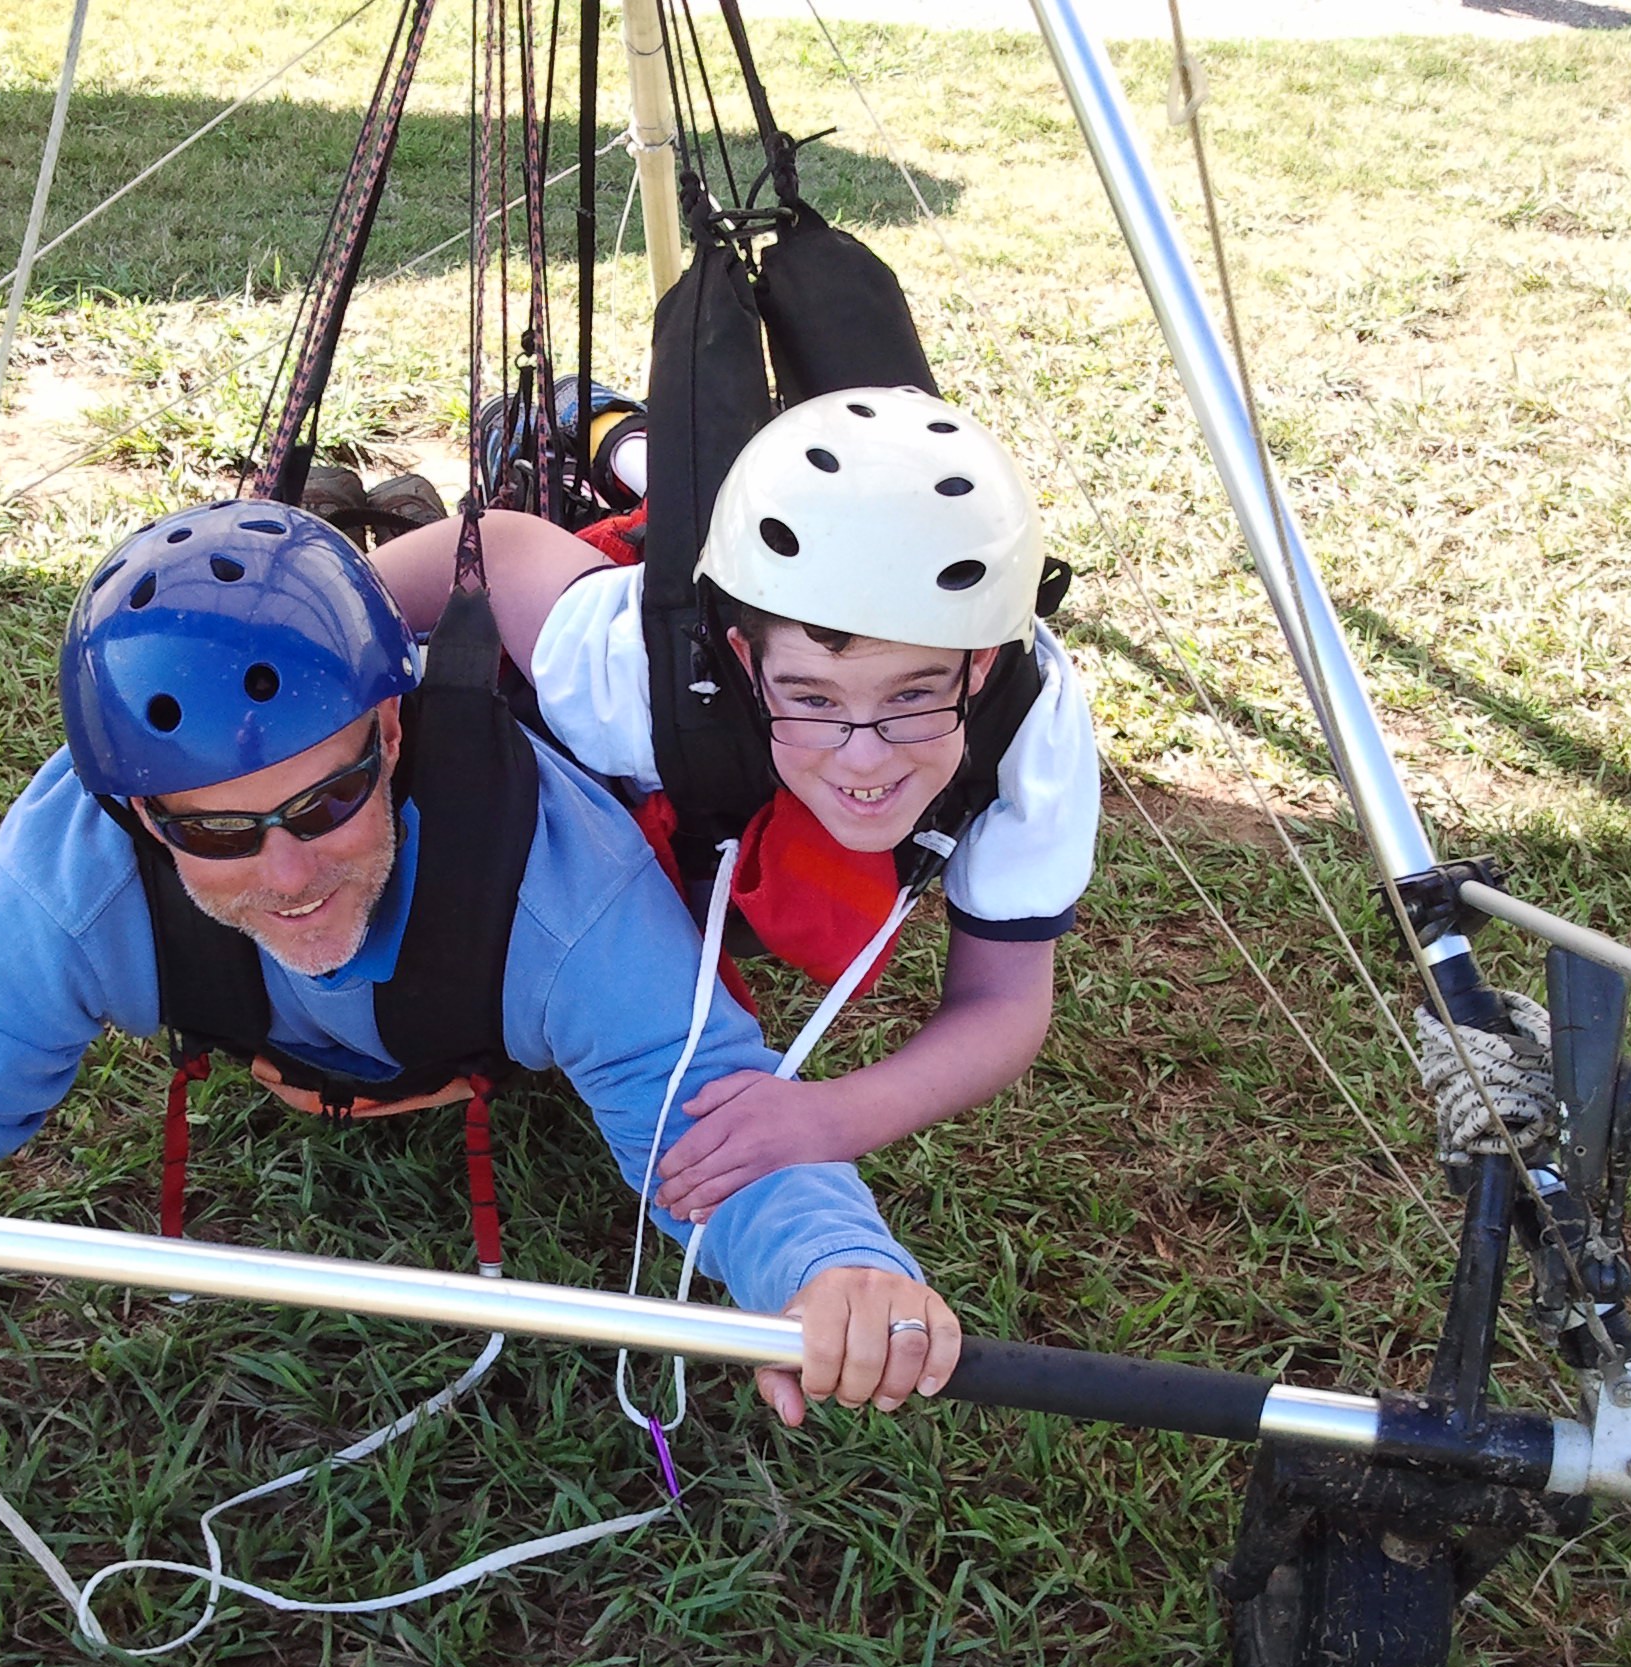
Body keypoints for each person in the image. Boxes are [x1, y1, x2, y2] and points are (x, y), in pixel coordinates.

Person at [0, 502, 962, 1427]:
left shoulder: (559, 887)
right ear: (137, 814)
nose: (289, 872)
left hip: (508, 945)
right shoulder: (77, 868)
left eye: (330, 800)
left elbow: (705, 1113)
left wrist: (830, 1272)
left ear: (395, 734)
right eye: (216, 833)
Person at [371, 388, 1100, 1227]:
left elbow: (1005, 1000)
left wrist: (835, 1116)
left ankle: (611, 430)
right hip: (600, 737)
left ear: (979, 668)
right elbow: (496, 553)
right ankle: (593, 425)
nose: (864, 757)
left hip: (739, 793)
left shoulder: (1028, 727)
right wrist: (329, 607)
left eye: (912, 697)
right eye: (813, 698)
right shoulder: (632, 670)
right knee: (661, 506)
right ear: (745, 662)